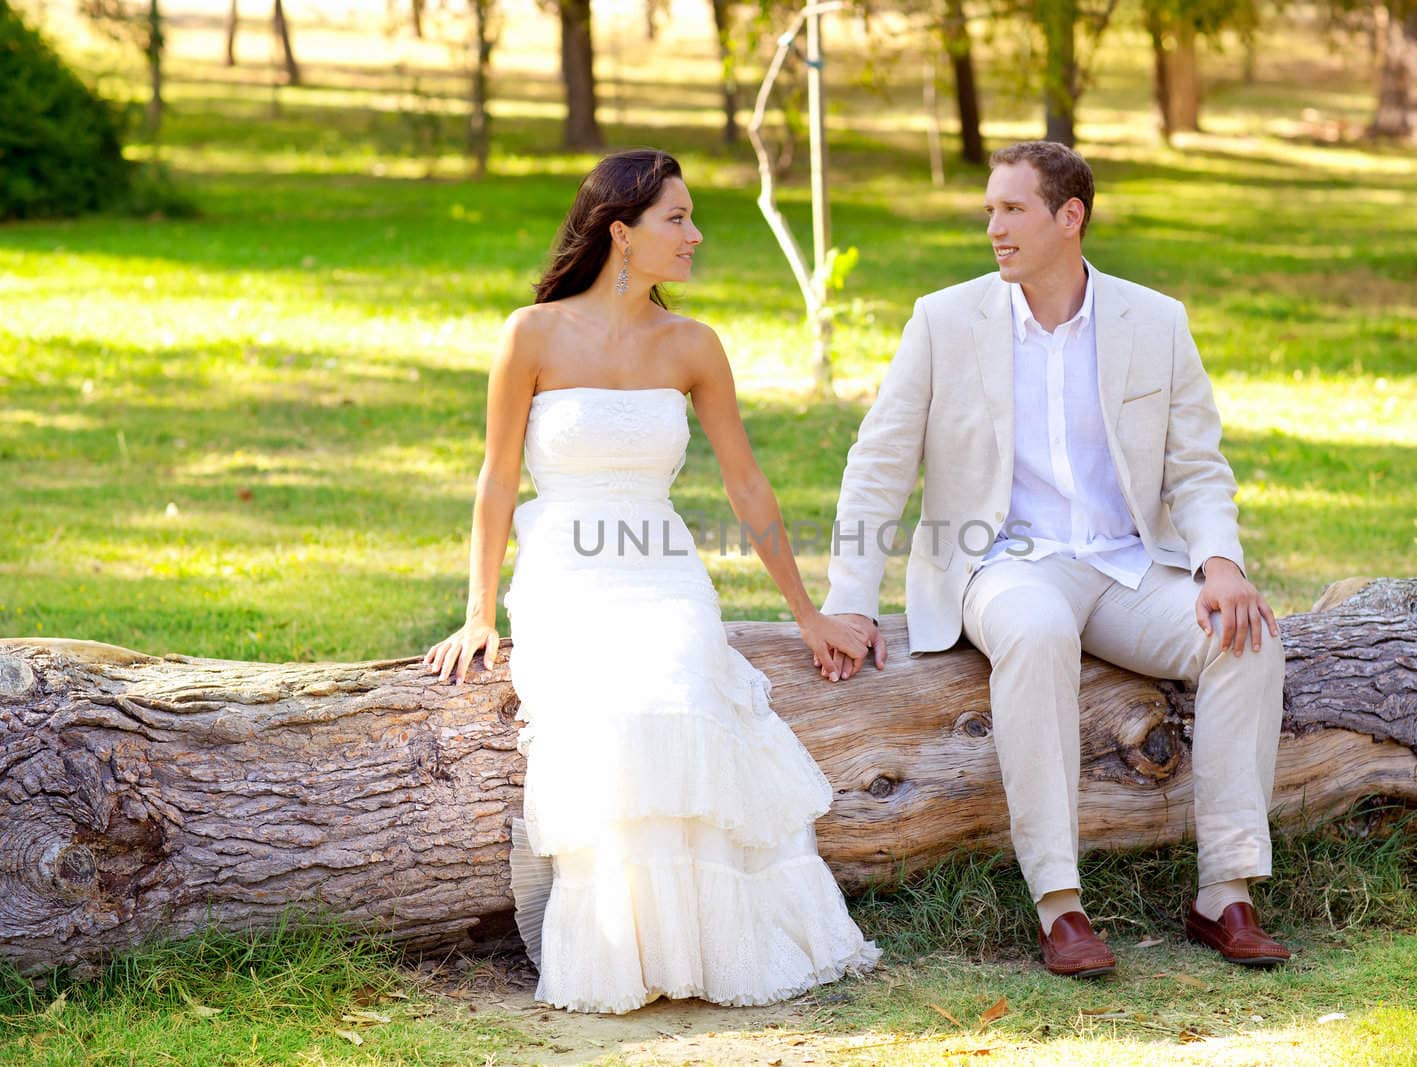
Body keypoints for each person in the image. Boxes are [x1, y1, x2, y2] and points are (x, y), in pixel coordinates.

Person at [422, 148, 879, 1014]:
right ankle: (621, 948)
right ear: (621, 233)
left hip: (662, 568)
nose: (696, 234)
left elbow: (747, 487)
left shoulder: (694, 345)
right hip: (565, 567)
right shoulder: (532, 333)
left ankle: (706, 944)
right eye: (679, 218)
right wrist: (479, 611)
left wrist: (808, 614)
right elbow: (496, 477)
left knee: (684, 693)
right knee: (607, 713)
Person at [819, 141, 1290, 977]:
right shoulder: (944, 319)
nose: (992, 227)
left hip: (1128, 565)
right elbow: (878, 463)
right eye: (990, 209)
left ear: (1069, 218)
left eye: (1012, 210)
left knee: (1244, 636)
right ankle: (1059, 903)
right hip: (1002, 563)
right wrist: (851, 597)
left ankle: (1226, 890)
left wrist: (1220, 561)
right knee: (1036, 630)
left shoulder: (1156, 321)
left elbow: (1196, 465)